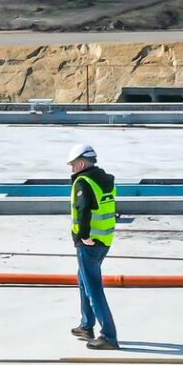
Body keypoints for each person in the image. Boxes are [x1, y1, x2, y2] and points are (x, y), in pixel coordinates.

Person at [67, 144, 120, 350]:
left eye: (72, 165)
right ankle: (86, 325)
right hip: (104, 240)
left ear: (81, 163)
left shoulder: (83, 182)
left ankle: (109, 335)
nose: (72, 170)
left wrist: (83, 236)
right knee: (84, 280)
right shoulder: (105, 180)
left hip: (89, 243)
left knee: (93, 288)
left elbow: (82, 211)